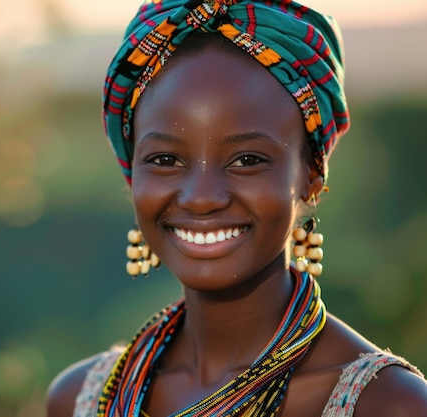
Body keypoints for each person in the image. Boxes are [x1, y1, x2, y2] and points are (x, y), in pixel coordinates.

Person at [47, 1, 427, 416]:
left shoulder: (387, 405)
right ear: (132, 175)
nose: (201, 197)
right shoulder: (81, 398)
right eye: (165, 160)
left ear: (312, 174)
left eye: (247, 160)